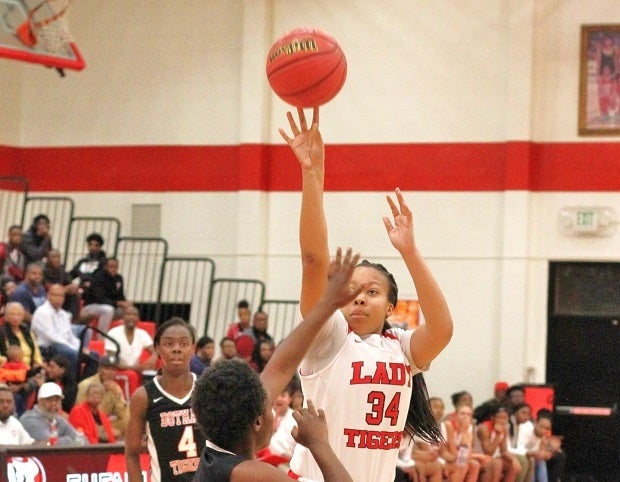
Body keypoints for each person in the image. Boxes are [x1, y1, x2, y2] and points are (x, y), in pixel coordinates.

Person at [280, 107, 453, 482]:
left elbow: (442, 328)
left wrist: (409, 251)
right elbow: (313, 261)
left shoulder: (402, 349)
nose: (359, 298)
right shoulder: (329, 339)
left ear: (391, 305)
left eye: (371, 292)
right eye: (351, 291)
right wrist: (312, 174)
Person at [192, 247, 362, 482]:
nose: (271, 401)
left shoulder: (218, 449)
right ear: (258, 422)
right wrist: (319, 443)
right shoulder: (248, 474)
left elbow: (281, 366)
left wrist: (328, 304)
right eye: (268, 404)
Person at [125, 318, 204, 482]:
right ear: (157, 349)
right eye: (169, 344)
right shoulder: (144, 396)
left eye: (183, 344)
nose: (176, 349)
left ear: (193, 349)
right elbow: (132, 453)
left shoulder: (207, 389)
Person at [31, 284, 97, 378]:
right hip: (47, 347)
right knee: (72, 353)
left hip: (63, 345)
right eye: (55, 295)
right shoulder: (42, 312)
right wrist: (76, 349)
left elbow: (69, 335)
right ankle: (72, 381)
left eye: (61, 296)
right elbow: (52, 337)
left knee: (93, 355)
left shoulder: (63, 314)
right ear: (48, 296)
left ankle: (83, 382)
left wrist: (81, 347)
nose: (59, 298)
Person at [104, 305, 157, 395]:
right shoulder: (113, 333)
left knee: (151, 373)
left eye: (134, 315)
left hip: (136, 370)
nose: (131, 317)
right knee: (131, 375)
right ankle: (131, 405)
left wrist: (153, 358)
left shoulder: (142, 334)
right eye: (128, 314)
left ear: (138, 318)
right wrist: (134, 368)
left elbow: (155, 350)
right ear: (123, 317)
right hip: (116, 371)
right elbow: (112, 360)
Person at [76, 355, 128, 439]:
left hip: (104, 423)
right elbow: (80, 412)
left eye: (113, 369)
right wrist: (104, 429)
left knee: (129, 420)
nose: (110, 372)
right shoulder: (86, 385)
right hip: (87, 423)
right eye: (107, 368)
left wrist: (118, 395)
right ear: (99, 369)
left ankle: (108, 435)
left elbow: (124, 415)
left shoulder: (115, 388)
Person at [81, 257, 130, 334]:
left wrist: (125, 304)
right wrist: (117, 303)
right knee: (108, 310)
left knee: (130, 311)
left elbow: (120, 296)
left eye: (116, 267)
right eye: (111, 267)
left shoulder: (118, 278)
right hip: (92, 306)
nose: (113, 269)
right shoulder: (98, 277)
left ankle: (122, 335)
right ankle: (102, 337)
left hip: (111, 307)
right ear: (106, 267)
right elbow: (99, 299)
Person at [43, 248, 81, 321]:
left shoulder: (61, 271)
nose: (57, 259)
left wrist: (73, 288)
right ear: (47, 259)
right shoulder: (43, 271)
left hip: (61, 296)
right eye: (53, 257)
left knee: (73, 294)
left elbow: (69, 282)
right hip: (47, 296)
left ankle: (72, 319)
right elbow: (48, 288)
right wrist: (66, 289)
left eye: (58, 257)